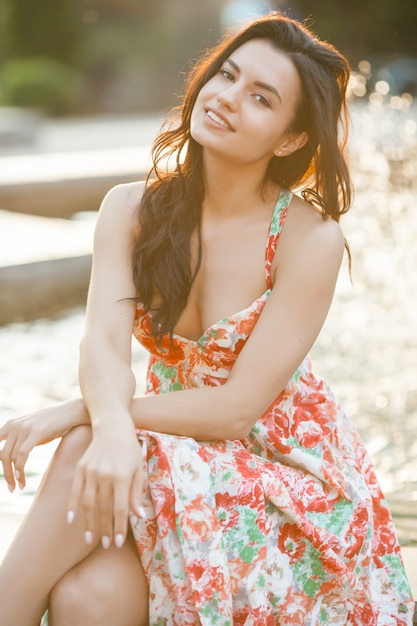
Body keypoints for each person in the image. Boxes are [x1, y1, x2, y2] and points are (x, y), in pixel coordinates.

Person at [0, 12, 414, 626]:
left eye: (260, 98)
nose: (225, 99)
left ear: (290, 139)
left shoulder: (308, 237)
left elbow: (235, 410)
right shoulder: (132, 209)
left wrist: (88, 416)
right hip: (169, 451)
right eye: (227, 74)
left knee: (87, 441)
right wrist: (110, 423)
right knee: (92, 596)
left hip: (282, 479)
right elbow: (103, 347)